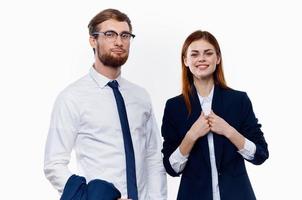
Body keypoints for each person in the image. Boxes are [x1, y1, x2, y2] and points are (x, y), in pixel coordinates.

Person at [44, 8, 167, 200]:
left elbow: (152, 157)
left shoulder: (140, 97)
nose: (119, 42)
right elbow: (54, 163)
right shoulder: (72, 97)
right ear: (93, 40)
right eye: (110, 34)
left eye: (125, 35)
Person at [161, 30, 269, 200]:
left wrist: (229, 131)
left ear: (217, 59)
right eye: (194, 54)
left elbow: (260, 155)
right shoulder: (174, 107)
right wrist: (191, 135)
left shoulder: (239, 101)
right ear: (185, 60)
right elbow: (172, 168)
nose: (201, 58)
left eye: (208, 53)